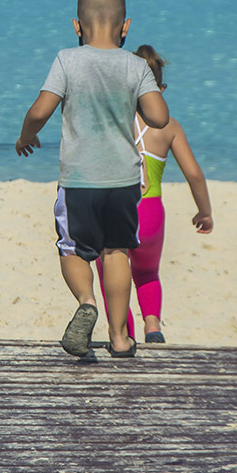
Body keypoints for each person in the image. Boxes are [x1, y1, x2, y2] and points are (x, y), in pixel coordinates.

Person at [15, 0, 169, 359]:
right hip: (124, 181)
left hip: (79, 180)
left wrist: (26, 136)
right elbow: (159, 117)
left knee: (74, 250)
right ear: (126, 26)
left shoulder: (67, 60)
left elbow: (40, 110)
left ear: (76, 26)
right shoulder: (136, 66)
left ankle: (86, 302)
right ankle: (120, 338)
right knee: (117, 252)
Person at [94, 45, 212, 344]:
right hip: (150, 213)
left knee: (111, 274)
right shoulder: (169, 127)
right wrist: (204, 211)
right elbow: (194, 174)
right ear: (160, 89)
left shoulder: (111, 122)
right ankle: (152, 326)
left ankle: (124, 333)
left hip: (112, 210)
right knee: (147, 274)